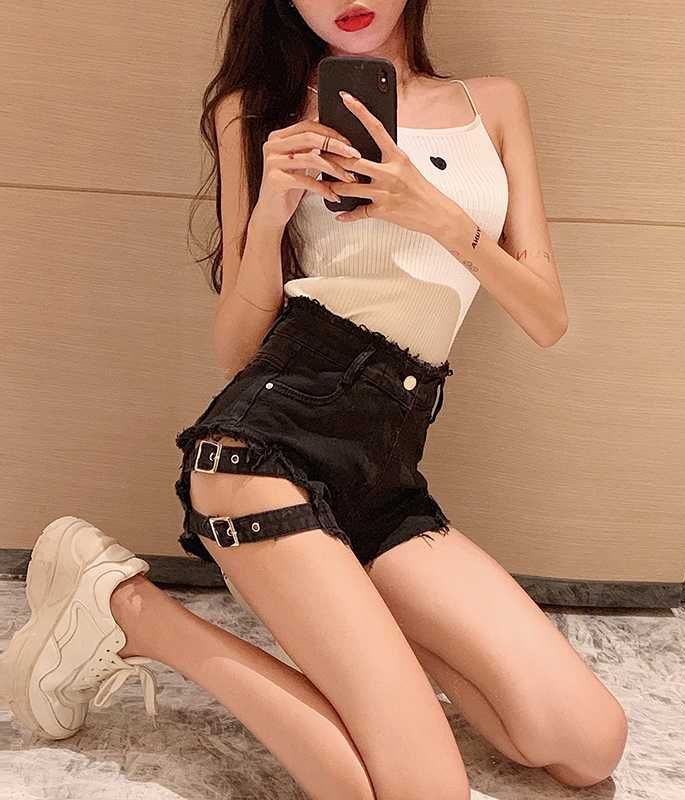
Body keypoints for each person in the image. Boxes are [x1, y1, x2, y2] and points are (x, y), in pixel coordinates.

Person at [0, 1, 628, 797]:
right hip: (268, 449)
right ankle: (136, 614)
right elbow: (235, 350)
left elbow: (547, 317)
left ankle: (356, 622)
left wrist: (434, 215)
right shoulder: (256, 112)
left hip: (385, 470)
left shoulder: (493, 105)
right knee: (422, 794)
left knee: (587, 743)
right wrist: (269, 216)